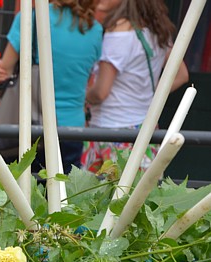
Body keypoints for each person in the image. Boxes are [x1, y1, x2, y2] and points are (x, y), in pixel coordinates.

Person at [0, 0, 102, 172]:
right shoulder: (95, 30)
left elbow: (3, 72)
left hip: (31, 128)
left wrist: (1, 73)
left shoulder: (31, 19)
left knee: (24, 191)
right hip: (72, 130)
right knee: (65, 193)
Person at [81, 0, 190, 174]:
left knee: (92, 197)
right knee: (138, 197)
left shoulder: (119, 32)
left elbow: (101, 92)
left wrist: (83, 97)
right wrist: (145, 96)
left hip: (109, 130)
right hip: (145, 130)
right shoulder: (158, 29)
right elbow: (181, 75)